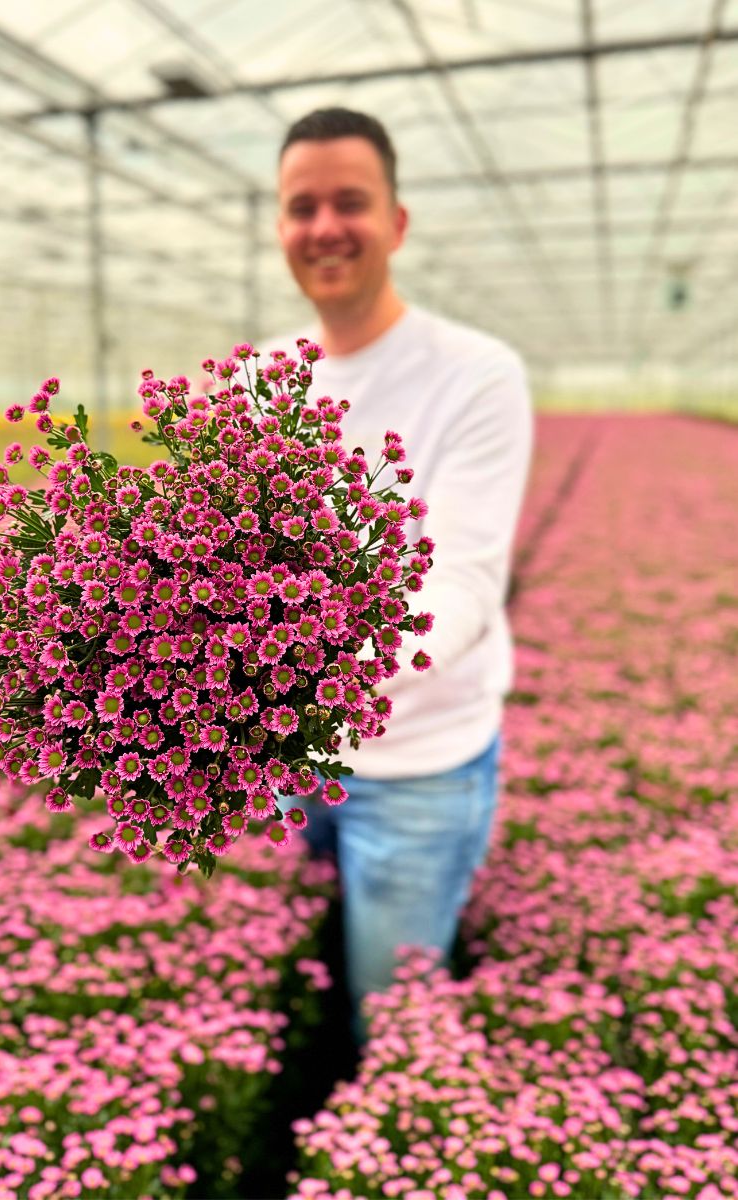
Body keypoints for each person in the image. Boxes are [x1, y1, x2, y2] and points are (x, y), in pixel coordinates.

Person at [267, 107, 533, 1038]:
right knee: (289, 981)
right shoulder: (264, 378)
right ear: (279, 226)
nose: (325, 227)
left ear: (397, 220)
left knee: (392, 1021)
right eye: (303, 207)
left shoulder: (475, 373)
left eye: (351, 202)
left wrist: (292, 666)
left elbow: (460, 589)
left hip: (420, 768)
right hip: (287, 759)